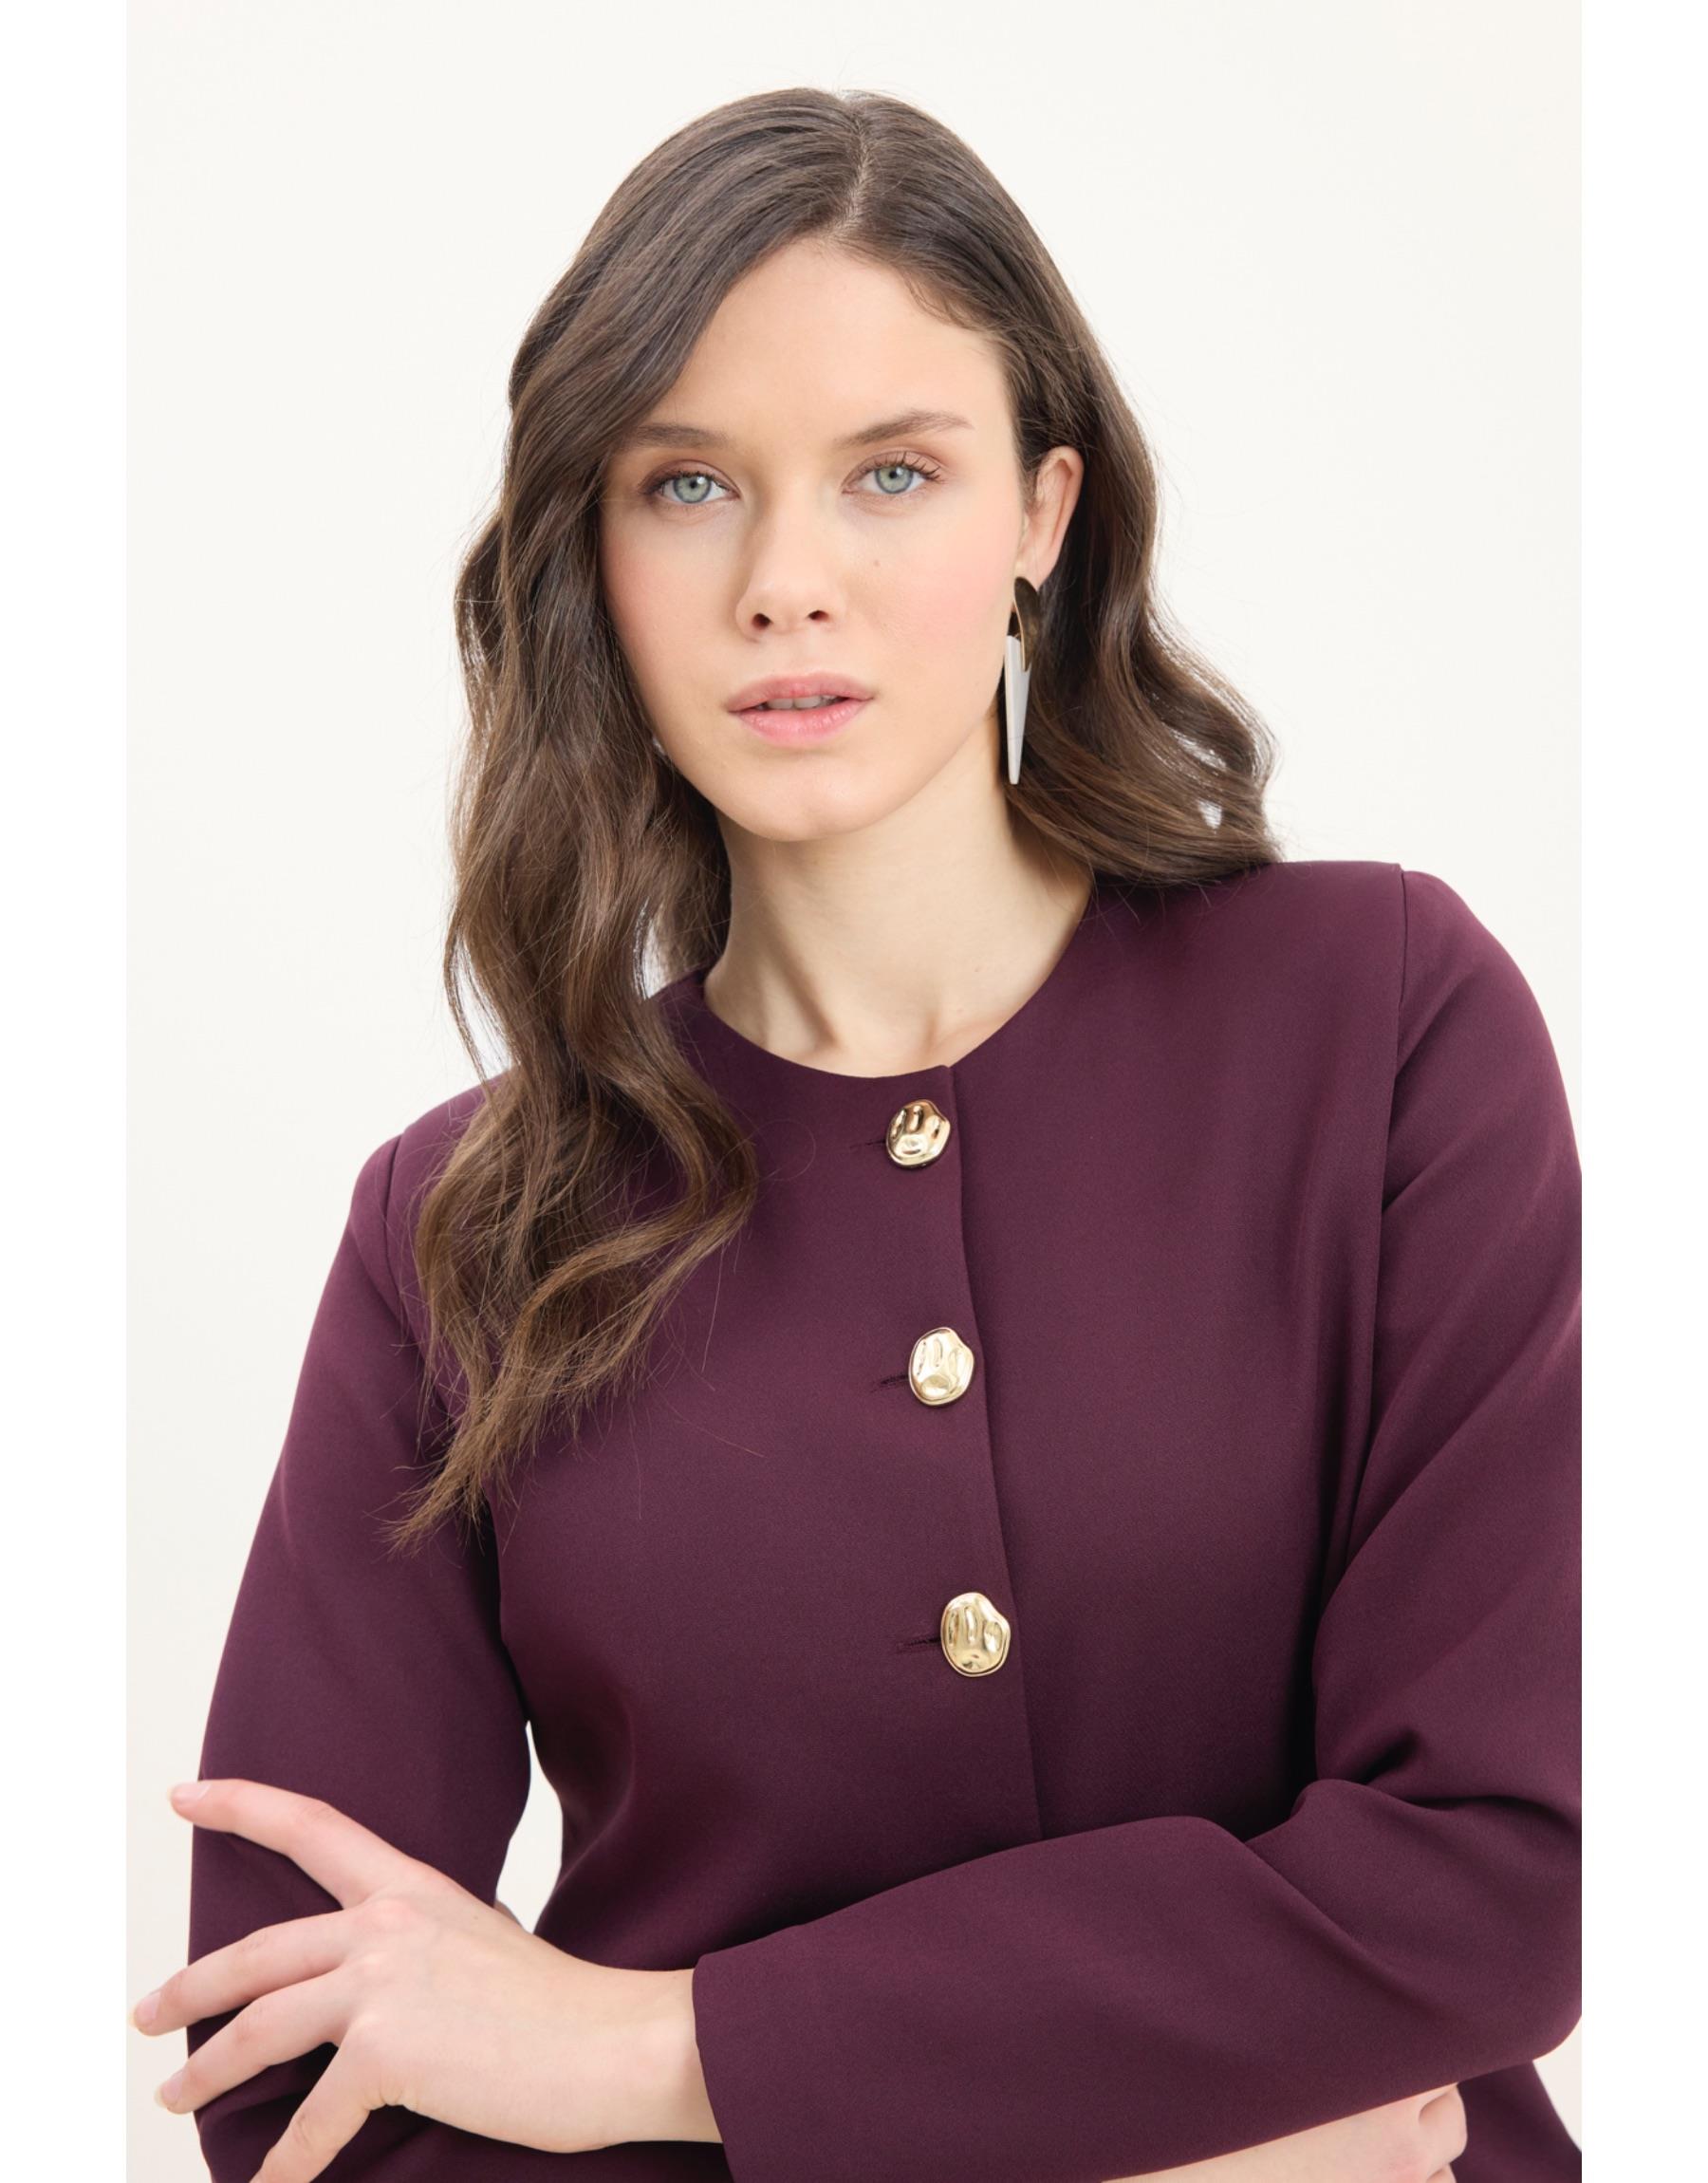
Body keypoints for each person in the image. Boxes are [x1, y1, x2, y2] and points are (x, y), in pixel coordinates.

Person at [132, 85, 1579, 2183]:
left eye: (893, 472)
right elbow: (293, 2091)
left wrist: (647, 2052)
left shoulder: (1386, 1025)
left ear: (1045, 511)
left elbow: (1503, 1875)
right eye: (689, 484)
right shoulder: (461, 1227)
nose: (784, 584)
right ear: (591, 551)